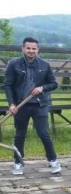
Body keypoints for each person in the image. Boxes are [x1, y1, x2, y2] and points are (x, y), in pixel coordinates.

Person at [3, 37, 61, 175]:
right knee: (20, 135)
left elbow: (53, 84)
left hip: (40, 104)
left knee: (43, 133)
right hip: (20, 105)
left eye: (34, 48)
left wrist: (42, 88)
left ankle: (53, 160)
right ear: (23, 49)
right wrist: (11, 103)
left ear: (38, 50)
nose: (31, 51)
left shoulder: (44, 64)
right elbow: (8, 85)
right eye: (28, 48)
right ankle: (18, 163)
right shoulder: (14, 64)